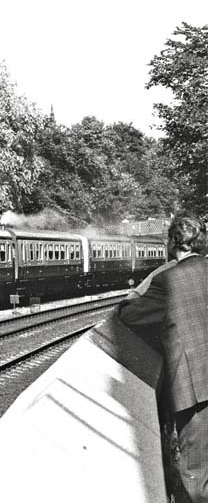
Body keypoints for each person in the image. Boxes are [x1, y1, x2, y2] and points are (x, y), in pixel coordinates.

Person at [117, 214, 208, 503]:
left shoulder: (167, 280)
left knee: (197, 474)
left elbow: (130, 314)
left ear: (172, 244)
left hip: (196, 389)